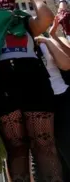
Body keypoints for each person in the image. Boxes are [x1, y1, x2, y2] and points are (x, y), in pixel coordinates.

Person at [0, 0, 63, 181]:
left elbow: (46, 19)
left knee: (43, 142)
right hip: (1, 82)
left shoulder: (24, 20)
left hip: (32, 78)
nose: (3, 1)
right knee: (16, 146)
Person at [35, 16, 70, 181]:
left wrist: (48, 41)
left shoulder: (45, 41)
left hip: (61, 98)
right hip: (38, 105)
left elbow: (66, 64)